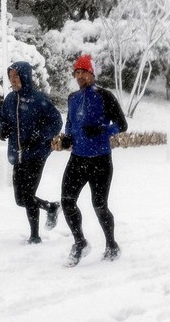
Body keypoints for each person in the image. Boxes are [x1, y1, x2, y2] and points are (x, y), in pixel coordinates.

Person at [60, 54, 129, 267]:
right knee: (67, 200)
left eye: (83, 72)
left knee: (99, 205)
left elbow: (122, 124)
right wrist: (67, 136)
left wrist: (102, 130)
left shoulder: (104, 96)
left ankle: (111, 245)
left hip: (100, 160)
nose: (79, 76)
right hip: (78, 158)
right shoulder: (73, 98)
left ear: (91, 74)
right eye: (76, 73)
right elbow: (70, 122)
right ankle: (80, 243)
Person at [0, 61, 63, 244]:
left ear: (25, 76)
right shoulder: (10, 99)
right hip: (17, 154)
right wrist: (3, 129)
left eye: (16, 76)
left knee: (27, 195)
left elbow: (56, 122)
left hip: (36, 153)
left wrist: (41, 134)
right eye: (11, 77)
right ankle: (51, 207)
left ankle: (35, 236)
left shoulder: (38, 99)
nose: (13, 80)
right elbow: (3, 119)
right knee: (20, 199)